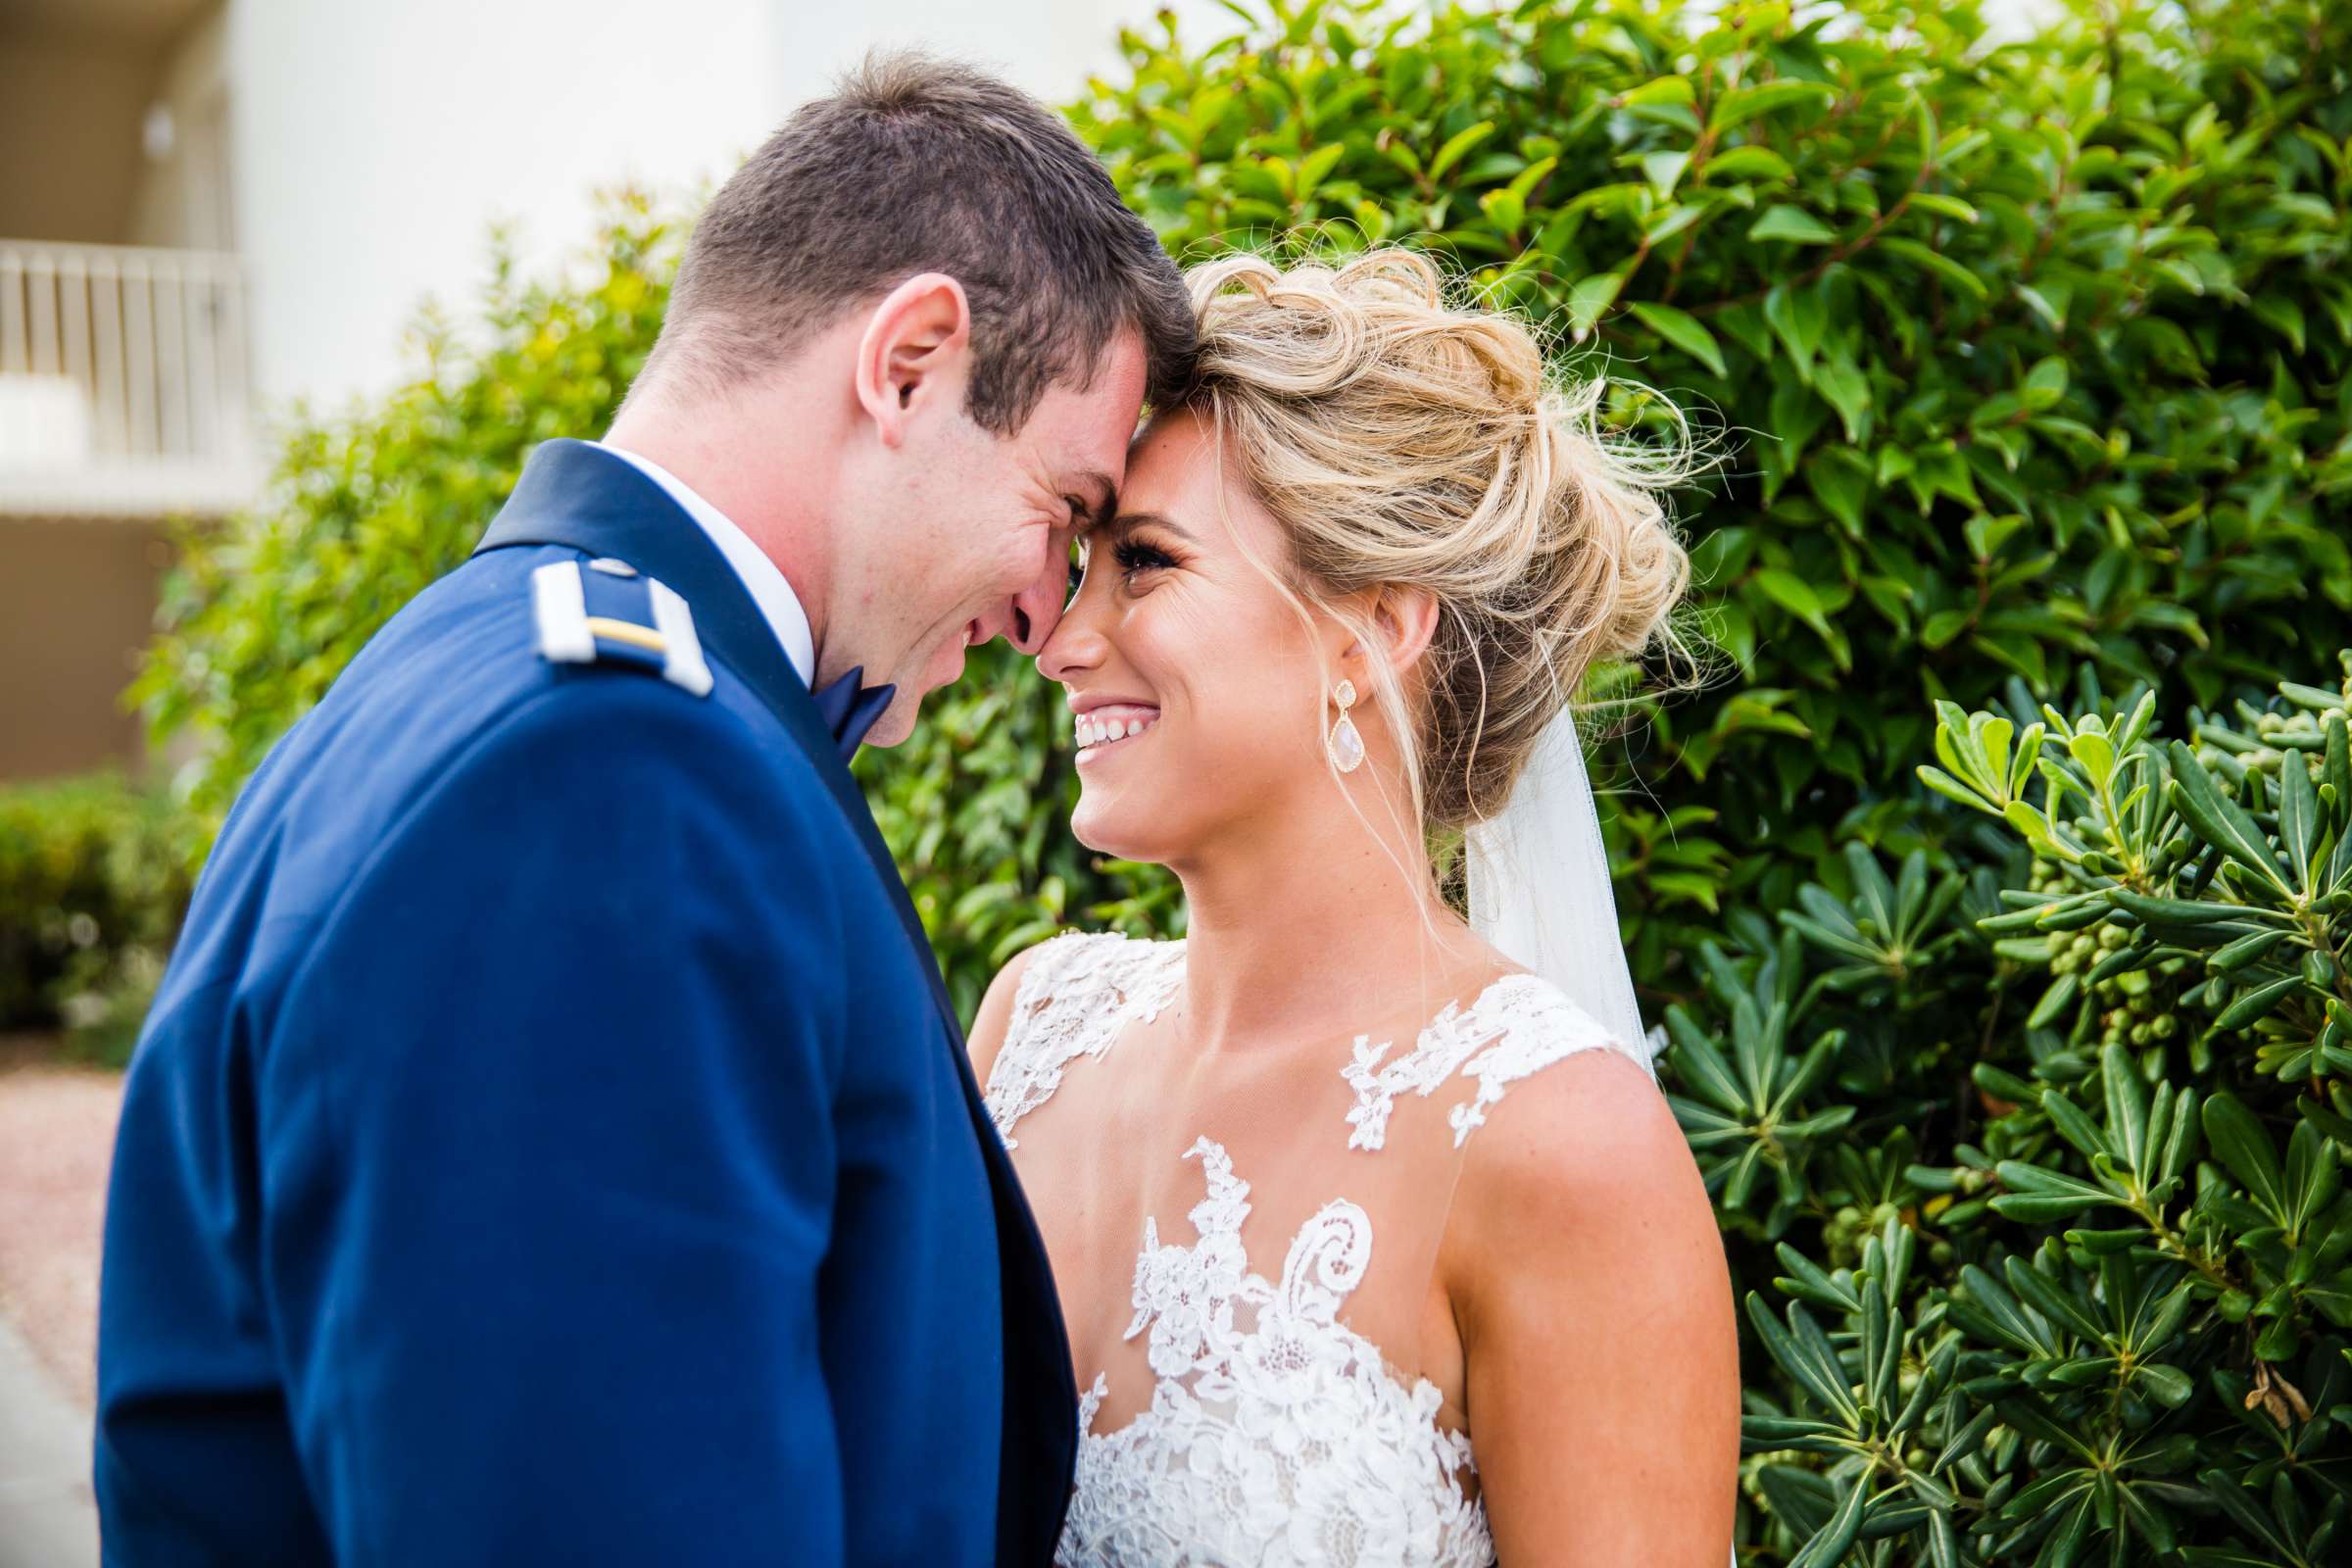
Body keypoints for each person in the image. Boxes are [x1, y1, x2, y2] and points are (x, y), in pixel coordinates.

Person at [95, 55, 1195, 1566]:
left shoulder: (502, 682)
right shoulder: (603, 787)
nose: (1039, 609)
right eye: (1064, 512)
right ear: (913, 361)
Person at [970, 249, 1740, 1565]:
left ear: (1369, 632)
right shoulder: (1029, 1031)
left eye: (1145, 564)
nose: (1061, 636)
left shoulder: (1558, 1144)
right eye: (1081, 563)